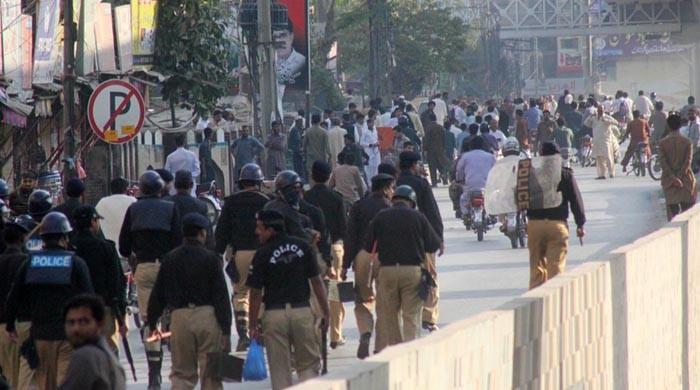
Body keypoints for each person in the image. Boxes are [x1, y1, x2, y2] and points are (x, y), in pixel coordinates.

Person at [5, 212, 94, 390]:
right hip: (69, 335)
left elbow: (14, 297)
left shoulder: (30, 262)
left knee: (46, 384)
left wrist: (10, 325)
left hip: (40, 335)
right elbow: (89, 299)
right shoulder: (75, 263)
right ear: (64, 237)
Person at [148, 213, 232, 390]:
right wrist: (226, 329)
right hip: (208, 316)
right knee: (212, 375)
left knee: (181, 374)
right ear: (202, 233)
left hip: (179, 318)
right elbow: (221, 296)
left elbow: (158, 294)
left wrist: (152, 321)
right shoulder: (211, 259)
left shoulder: (170, 258)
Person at [247, 210, 330, 390]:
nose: (257, 232)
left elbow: (255, 293)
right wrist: (326, 312)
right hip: (302, 312)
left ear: (271, 230)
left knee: (280, 370)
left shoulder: (262, 253)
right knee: (308, 365)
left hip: (274, 316)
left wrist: (253, 324)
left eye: (260, 228)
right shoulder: (303, 247)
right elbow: (316, 281)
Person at [119, 171, 182, 389]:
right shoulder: (170, 208)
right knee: (174, 314)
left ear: (142, 189)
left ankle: (154, 375)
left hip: (144, 268)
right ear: (161, 189)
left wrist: (135, 254)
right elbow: (178, 241)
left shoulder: (134, 209)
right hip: (169, 267)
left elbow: (123, 246)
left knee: (149, 320)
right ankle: (176, 363)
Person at [365, 185, 441, 352]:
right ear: (411, 201)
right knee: (411, 315)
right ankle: (411, 351)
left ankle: (396, 353)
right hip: (412, 271)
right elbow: (433, 244)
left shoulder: (380, 216)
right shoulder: (418, 217)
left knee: (390, 316)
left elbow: (368, 245)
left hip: (387, 272)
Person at [214, 163, 269, 352]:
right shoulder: (266, 201)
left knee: (240, 294)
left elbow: (221, 232)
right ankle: (260, 331)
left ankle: (244, 334)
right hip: (263, 254)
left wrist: (218, 254)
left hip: (240, 254)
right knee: (261, 294)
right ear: (259, 182)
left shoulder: (231, 203)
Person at [341, 173, 394, 358]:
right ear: (387, 188)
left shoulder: (358, 206)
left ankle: (365, 331)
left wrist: (345, 265)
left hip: (362, 257)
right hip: (385, 258)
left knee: (361, 299)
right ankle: (380, 347)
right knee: (384, 304)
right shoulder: (390, 207)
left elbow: (350, 236)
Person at [396, 151, 444, 331]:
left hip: (398, 239)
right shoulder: (422, 184)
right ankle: (429, 316)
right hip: (423, 238)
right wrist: (439, 238)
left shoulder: (394, 184)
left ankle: (401, 316)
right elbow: (432, 212)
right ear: (414, 165)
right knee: (430, 276)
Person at [526, 142, 586, 289]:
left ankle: (535, 303)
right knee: (556, 268)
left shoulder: (531, 175)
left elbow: (519, 196)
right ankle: (555, 301)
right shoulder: (565, 174)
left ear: (540, 156)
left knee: (536, 269)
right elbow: (575, 200)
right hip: (557, 225)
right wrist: (580, 224)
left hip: (534, 225)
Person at [70, 206, 127, 355]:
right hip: (104, 308)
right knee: (107, 353)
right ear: (93, 222)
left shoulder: (69, 249)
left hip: (75, 311)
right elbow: (117, 282)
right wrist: (121, 314)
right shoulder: (106, 247)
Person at [304, 162, 347, 349]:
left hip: (311, 250)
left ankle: (315, 333)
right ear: (330, 176)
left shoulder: (305, 198)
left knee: (313, 293)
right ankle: (336, 335)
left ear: (312, 176)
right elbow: (343, 228)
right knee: (335, 291)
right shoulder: (336, 198)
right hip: (334, 249)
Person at [58, 294, 126, 390]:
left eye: (83, 322)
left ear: (100, 323)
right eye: (71, 322)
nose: (76, 328)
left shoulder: (86, 356)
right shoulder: (106, 355)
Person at [0, 218, 32, 389]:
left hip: (1, 326)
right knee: (24, 373)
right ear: (23, 239)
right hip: (23, 324)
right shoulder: (27, 261)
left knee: (7, 373)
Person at [658, 112, 697, 220]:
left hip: (669, 183)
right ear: (680, 126)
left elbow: (663, 163)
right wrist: (679, 177)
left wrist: (673, 178)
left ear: (668, 126)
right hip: (686, 181)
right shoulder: (687, 142)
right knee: (687, 216)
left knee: (672, 217)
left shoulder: (662, 143)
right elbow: (688, 161)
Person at [455, 136, 497, 215]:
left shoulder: (465, 156)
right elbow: (496, 171)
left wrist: (459, 180)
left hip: (470, 187)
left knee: (463, 199)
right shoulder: (490, 157)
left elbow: (459, 170)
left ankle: (465, 215)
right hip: (487, 187)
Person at [95, 178, 137, 255]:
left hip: (107, 250)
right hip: (128, 251)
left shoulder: (102, 202)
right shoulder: (133, 201)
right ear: (126, 189)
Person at [585, 105, 620, 179]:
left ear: (604, 110)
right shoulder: (594, 118)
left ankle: (611, 173)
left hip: (605, 140)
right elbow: (586, 124)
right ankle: (602, 174)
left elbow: (616, 122)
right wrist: (590, 116)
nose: (600, 111)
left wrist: (607, 121)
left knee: (608, 157)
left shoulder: (606, 117)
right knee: (599, 158)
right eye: (599, 110)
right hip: (597, 140)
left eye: (601, 110)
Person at [424, 113, 450, 187]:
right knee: (440, 164)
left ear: (429, 119)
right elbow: (444, 139)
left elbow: (426, 139)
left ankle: (434, 182)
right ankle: (443, 176)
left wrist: (425, 149)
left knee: (432, 167)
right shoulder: (440, 127)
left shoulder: (428, 128)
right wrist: (443, 148)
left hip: (431, 150)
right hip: (440, 149)